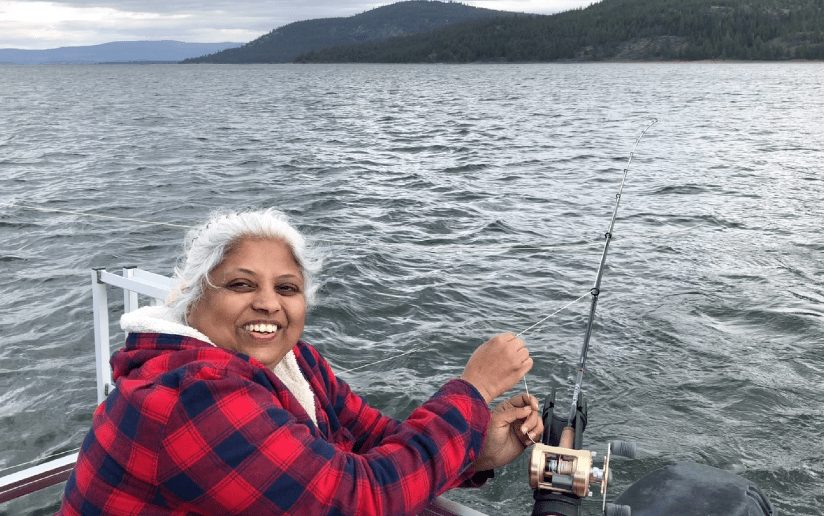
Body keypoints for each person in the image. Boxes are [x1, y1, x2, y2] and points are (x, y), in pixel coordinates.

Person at [60, 208, 542, 515]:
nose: (269, 304)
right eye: (241, 284)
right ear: (190, 299)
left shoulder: (295, 365)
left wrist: (475, 448)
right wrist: (473, 391)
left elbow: (372, 439)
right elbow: (356, 498)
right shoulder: (190, 395)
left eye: (287, 288)